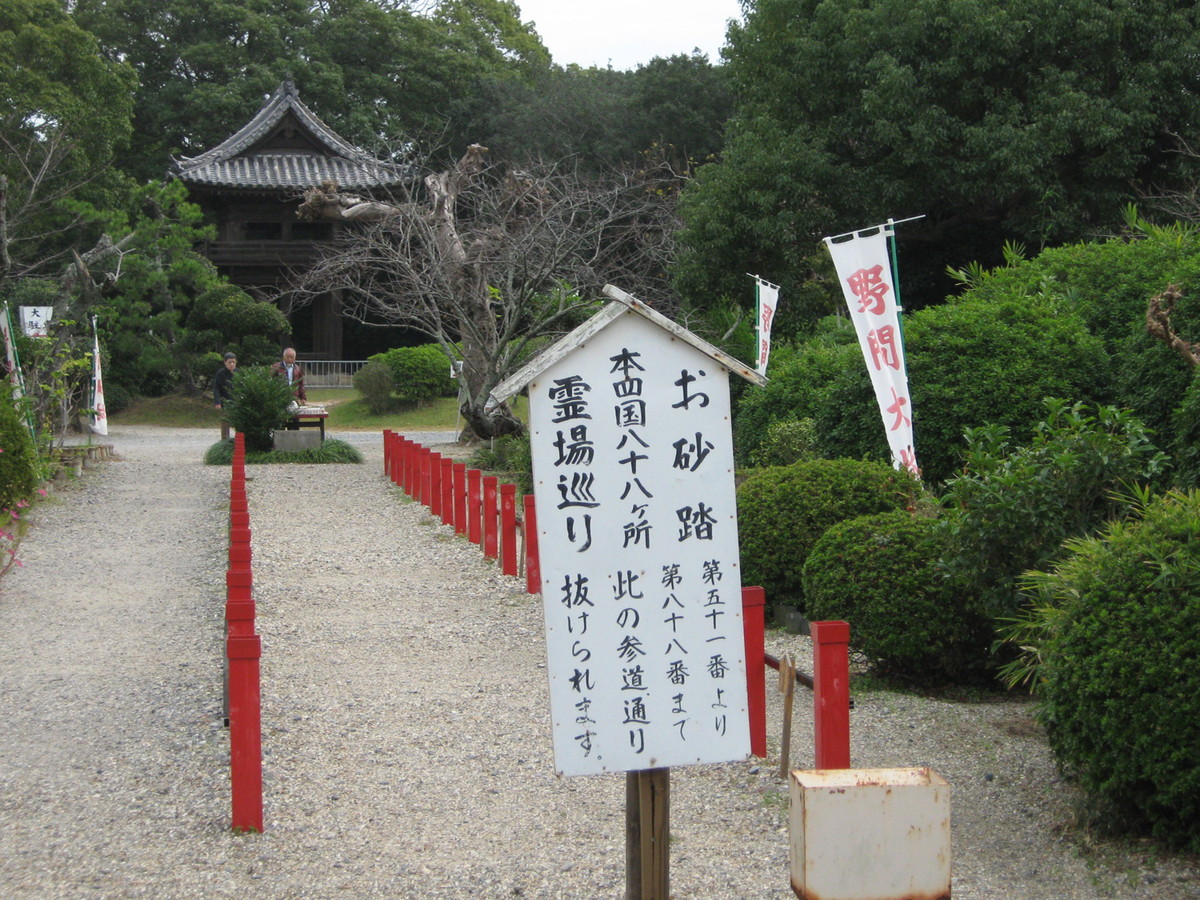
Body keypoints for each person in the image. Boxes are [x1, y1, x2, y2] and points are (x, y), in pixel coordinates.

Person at [213, 352, 237, 440]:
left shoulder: (238, 372)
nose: (232, 364)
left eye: (233, 362)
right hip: (225, 401)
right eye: (230, 362)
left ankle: (238, 440)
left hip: (236, 401)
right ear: (225, 362)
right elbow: (216, 388)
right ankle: (224, 440)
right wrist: (217, 402)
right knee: (225, 422)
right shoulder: (220, 373)